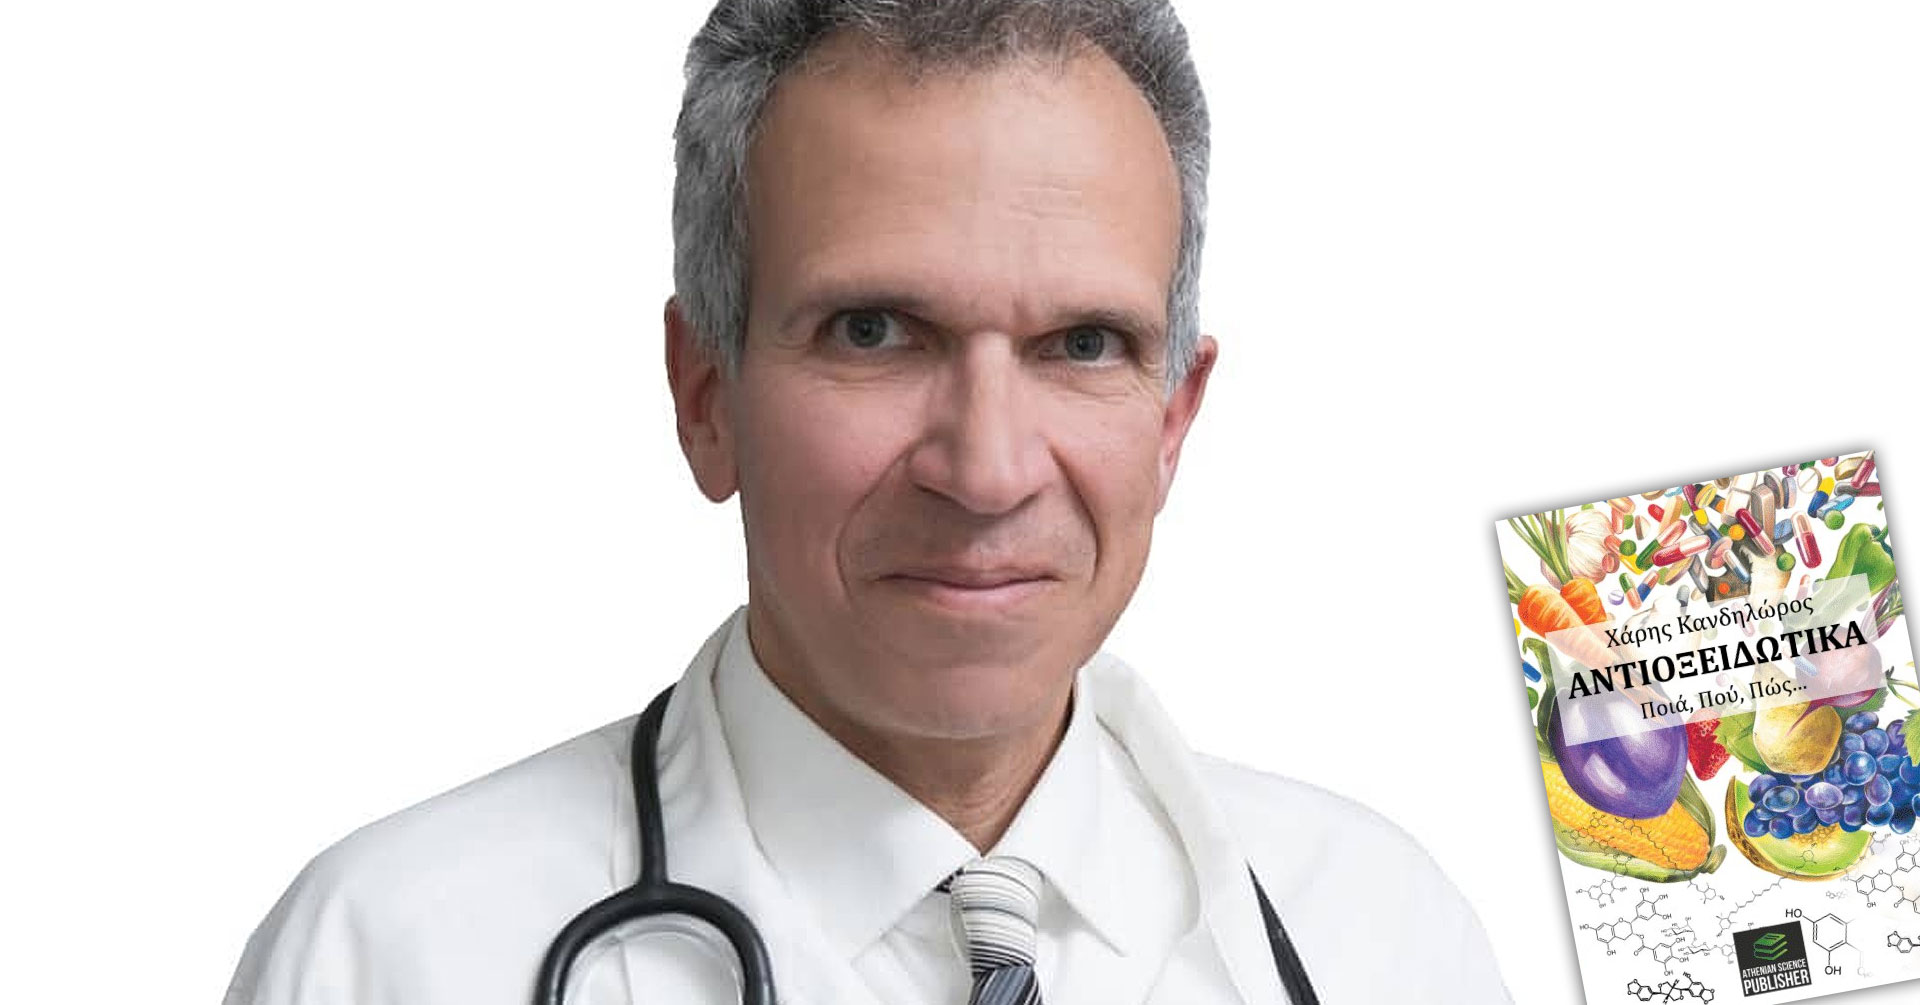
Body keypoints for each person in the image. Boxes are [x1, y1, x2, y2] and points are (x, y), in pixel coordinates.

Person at [225, 1, 1511, 1002]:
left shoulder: (1383, 937)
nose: (988, 470)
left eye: (1082, 346)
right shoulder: (391, 955)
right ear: (705, 396)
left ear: (1173, 421)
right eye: (875, 331)